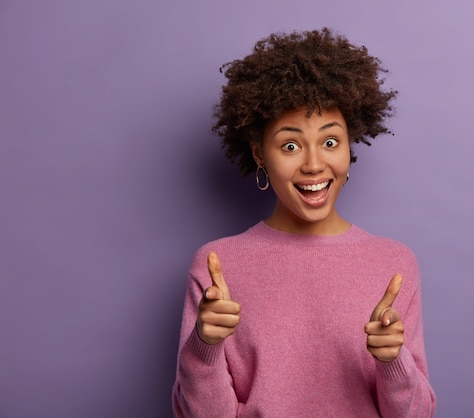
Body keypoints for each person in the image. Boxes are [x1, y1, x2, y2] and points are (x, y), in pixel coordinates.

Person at [172, 28, 436, 417]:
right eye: (290, 145)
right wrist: (204, 348)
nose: (314, 164)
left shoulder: (393, 263)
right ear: (260, 154)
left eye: (330, 142)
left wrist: (392, 362)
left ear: (349, 145)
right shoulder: (217, 266)